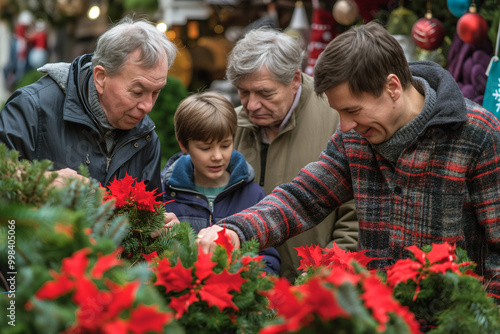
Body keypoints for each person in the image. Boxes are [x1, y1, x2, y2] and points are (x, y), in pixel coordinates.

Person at [197, 21, 500, 302]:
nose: (344, 126)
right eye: (338, 113)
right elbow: (302, 198)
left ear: (392, 87)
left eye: (353, 111)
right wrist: (236, 231)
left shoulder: (477, 135)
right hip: (378, 317)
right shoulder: (354, 138)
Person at [225, 27, 358, 282]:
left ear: (295, 79)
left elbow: (355, 214)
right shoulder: (230, 125)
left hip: (317, 288)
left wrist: (323, 275)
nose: (251, 105)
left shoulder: (338, 118)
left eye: (265, 93)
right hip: (246, 291)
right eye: (243, 92)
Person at [0, 15, 176, 198]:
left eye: (156, 93)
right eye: (138, 92)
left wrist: (161, 222)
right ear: (100, 78)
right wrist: (40, 182)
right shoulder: (31, 108)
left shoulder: (146, 136)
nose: (148, 106)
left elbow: (149, 216)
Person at [161, 92, 280, 274]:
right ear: (184, 145)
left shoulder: (253, 195)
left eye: (225, 145)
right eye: (206, 148)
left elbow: (269, 262)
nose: (217, 156)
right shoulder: (165, 195)